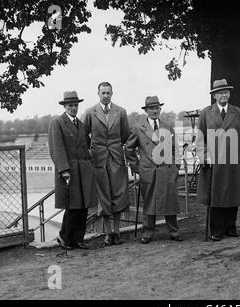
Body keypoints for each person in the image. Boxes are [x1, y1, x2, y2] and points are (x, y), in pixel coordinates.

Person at [196, 79, 240, 241]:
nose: (223, 95)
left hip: (233, 161)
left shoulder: (237, 112)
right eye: (220, 93)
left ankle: (230, 227)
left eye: (225, 92)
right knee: (216, 195)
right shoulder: (206, 113)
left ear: (229, 94)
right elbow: (200, 138)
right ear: (214, 96)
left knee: (232, 194)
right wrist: (204, 157)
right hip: (214, 161)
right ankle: (216, 229)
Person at [125, 96, 182, 244]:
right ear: (146, 111)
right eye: (151, 108)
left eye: (157, 108)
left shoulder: (167, 126)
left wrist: (176, 167)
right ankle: (147, 232)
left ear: (160, 109)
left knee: (170, 200)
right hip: (148, 170)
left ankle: (174, 231)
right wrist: (137, 167)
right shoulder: (138, 128)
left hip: (166, 170)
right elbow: (129, 149)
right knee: (149, 201)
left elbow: (175, 148)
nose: (154, 111)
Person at [48, 91, 97, 250]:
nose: (73, 108)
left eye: (76, 105)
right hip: (70, 171)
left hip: (83, 170)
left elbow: (86, 147)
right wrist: (64, 170)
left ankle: (78, 239)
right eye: (70, 105)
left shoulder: (81, 126)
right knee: (73, 207)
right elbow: (57, 148)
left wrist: (90, 165)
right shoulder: (57, 122)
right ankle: (64, 238)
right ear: (65, 106)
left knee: (83, 207)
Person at [84, 82, 130, 246]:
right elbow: (84, 136)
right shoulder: (90, 112)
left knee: (118, 194)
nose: (105, 96)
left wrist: (116, 147)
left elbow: (126, 135)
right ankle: (108, 233)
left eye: (108, 93)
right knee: (103, 196)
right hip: (98, 159)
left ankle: (117, 232)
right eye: (103, 93)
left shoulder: (121, 112)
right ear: (98, 93)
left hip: (116, 158)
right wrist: (95, 149)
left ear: (112, 93)